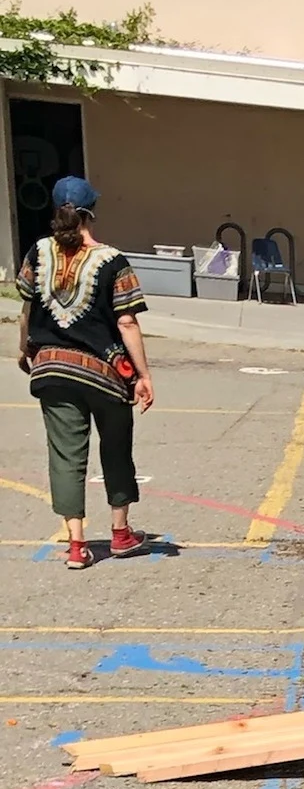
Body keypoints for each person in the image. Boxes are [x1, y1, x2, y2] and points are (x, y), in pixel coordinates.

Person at [14, 174, 156, 570]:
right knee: (115, 447)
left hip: (52, 368)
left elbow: (26, 309)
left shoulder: (38, 253)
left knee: (65, 455)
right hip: (104, 372)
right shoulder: (112, 261)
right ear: (91, 211)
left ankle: (76, 544)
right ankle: (121, 532)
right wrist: (143, 374)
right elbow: (126, 322)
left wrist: (24, 347)